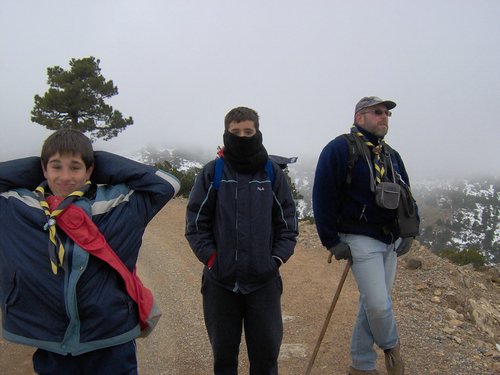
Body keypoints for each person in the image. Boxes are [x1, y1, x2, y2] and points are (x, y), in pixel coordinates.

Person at [0, 129, 180, 375]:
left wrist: (97, 160)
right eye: (56, 167)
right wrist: (39, 165)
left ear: (89, 170)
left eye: (75, 167)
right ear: (43, 169)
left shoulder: (117, 203)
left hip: (111, 341)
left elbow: (167, 184)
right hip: (52, 344)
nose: (65, 177)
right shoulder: (18, 205)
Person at [185, 106, 298, 375]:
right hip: (220, 282)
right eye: (235, 132)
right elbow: (195, 224)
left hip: (263, 282)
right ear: (226, 134)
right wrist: (213, 259)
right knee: (224, 359)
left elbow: (288, 224)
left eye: (248, 131)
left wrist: (274, 260)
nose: (242, 136)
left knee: (266, 358)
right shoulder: (213, 172)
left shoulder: (271, 173)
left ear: (258, 132)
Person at [313, 96, 417, 375]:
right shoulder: (338, 149)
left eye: (387, 114)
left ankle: (361, 365)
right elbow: (322, 195)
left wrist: (409, 230)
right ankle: (392, 348)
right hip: (360, 238)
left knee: (370, 304)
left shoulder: (391, 155)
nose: (384, 117)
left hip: (390, 240)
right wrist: (331, 240)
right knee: (378, 304)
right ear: (360, 117)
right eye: (378, 112)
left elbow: (406, 192)